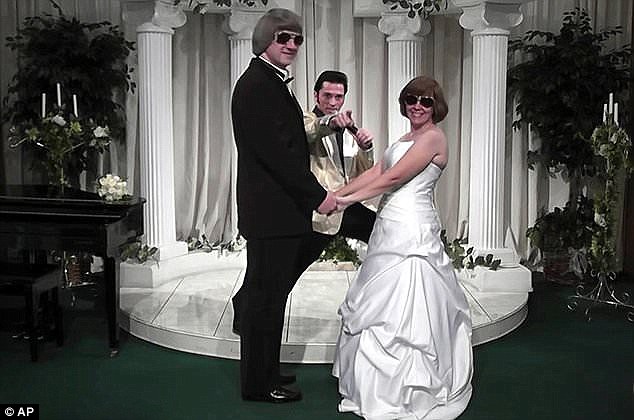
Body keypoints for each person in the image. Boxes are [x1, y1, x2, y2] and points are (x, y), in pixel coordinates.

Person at [332, 76, 473, 419]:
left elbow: (393, 179)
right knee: (377, 302)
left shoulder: (434, 137)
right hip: (388, 227)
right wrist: (338, 194)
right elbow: (379, 170)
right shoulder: (406, 138)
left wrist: (345, 203)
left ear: (436, 106)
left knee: (409, 306)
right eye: (411, 100)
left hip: (412, 230)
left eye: (425, 101)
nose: (418, 106)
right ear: (404, 103)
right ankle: (372, 385)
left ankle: (409, 390)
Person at [231, 8, 337, 404]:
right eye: (283, 38)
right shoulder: (258, 85)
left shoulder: (269, 80)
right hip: (271, 213)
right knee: (265, 302)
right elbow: (279, 155)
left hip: (275, 212)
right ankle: (259, 384)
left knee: (270, 298)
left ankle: (267, 371)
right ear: (265, 39)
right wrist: (318, 195)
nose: (292, 45)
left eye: (297, 39)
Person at [301, 70, 377, 266]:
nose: (333, 103)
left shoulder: (348, 128)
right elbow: (310, 131)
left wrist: (366, 148)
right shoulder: (306, 120)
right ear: (316, 95)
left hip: (345, 205)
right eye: (327, 96)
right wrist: (332, 122)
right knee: (292, 267)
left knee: (382, 235)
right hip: (319, 209)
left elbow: (365, 173)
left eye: (338, 97)